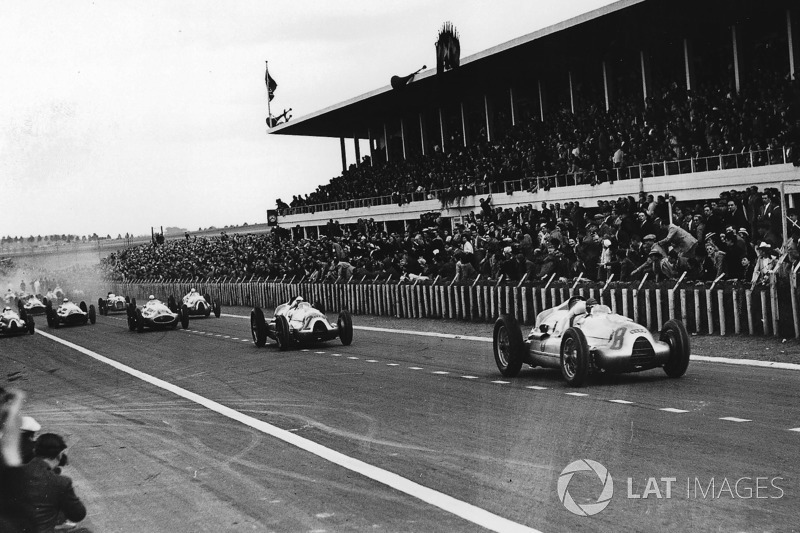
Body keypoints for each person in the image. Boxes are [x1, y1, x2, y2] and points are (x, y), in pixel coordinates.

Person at [21, 432, 87, 533]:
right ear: (60, 454)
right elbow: (78, 514)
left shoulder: (14, 473)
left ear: (35, 451)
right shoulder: (61, 482)